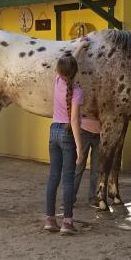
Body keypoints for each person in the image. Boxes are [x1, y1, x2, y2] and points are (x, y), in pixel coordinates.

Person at [45, 53, 83, 235]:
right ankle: (67, 222)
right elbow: (74, 120)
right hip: (68, 134)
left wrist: (79, 48)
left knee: (53, 177)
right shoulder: (76, 91)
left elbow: (65, 66)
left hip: (53, 131)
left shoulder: (57, 83)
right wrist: (79, 147)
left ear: (59, 71)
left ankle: (50, 219)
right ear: (75, 71)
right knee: (68, 179)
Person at [73, 117, 100, 208]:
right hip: (84, 131)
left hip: (100, 134)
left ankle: (93, 199)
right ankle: (69, 200)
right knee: (78, 167)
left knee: (96, 170)